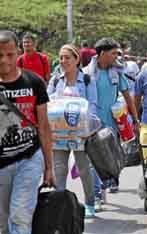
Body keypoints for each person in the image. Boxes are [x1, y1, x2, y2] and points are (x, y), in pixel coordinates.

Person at [0, 30, 55, 234]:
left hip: (29, 158)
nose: (5, 60)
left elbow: (44, 127)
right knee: (3, 223)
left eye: (10, 54)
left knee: (20, 215)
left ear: (18, 53)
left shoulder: (34, 82)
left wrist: (49, 167)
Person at [83, 37, 139, 209]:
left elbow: (127, 96)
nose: (117, 56)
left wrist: (135, 119)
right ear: (102, 53)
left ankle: (107, 183)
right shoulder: (86, 74)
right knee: (94, 160)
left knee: (110, 158)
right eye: (113, 53)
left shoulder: (117, 72)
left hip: (113, 125)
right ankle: (97, 196)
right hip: (91, 125)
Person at [47, 44, 97, 218]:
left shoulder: (88, 80)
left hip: (81, 134)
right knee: (59, 169)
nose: (63, 61)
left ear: (77, 59)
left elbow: (93, 106)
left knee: (84, 169)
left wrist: (87, 125)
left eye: (67, 57)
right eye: (61, 57)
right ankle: (60, 205)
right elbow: (47, 103)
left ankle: (90, 202)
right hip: (58, 134)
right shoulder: (55, 80)